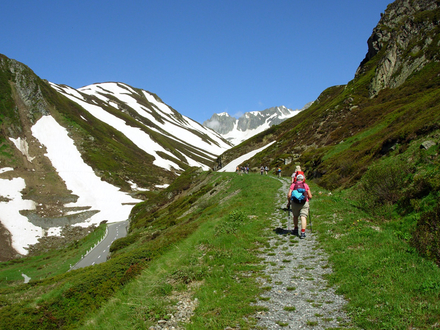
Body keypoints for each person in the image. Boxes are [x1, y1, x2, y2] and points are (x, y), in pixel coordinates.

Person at [287, 174, 312, 238]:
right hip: (304, 202)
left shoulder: (293, 185)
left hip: (295, 203)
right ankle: (303, 232)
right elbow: (310, 196)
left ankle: (296, 229)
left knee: (295, 216)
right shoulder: (305, 185)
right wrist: (308, 198)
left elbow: (289, 195)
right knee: (303, 216)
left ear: (296, 179)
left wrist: (289, 202)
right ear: (303, 179)